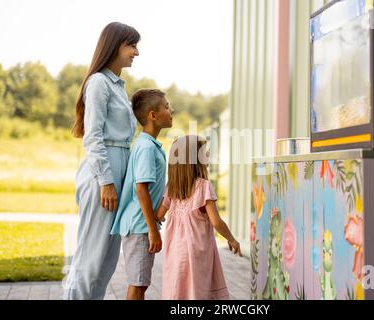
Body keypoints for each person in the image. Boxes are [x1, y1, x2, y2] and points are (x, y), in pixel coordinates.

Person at [63, 22, 140, 300]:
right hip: (102, 173)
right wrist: (106, 181)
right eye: (132, 45)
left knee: (106, 261)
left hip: (118, 169)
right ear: (115, 45)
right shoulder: (98, 83)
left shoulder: (118, 86)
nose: (136, 52)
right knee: (91, 258)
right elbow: (92, 137)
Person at [155, 135, 242, 300]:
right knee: (197, 291)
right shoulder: (203, 186)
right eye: (204, 153)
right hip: (196, 253)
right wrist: (231, 239)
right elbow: (216, 221)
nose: (208, 155)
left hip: (175, 252)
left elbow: (158, 215)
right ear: (194, 160)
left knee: (178, 289)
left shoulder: (171, 189)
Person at [110, 89, 174, 300]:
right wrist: (152, 230)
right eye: (166, 107)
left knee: (140, 284)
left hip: (141, 224)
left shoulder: (149, 145)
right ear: (152, 115)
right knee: (138, 285)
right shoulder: (146, 148)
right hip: (140, 226)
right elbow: (141, 189)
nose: (171, 110)